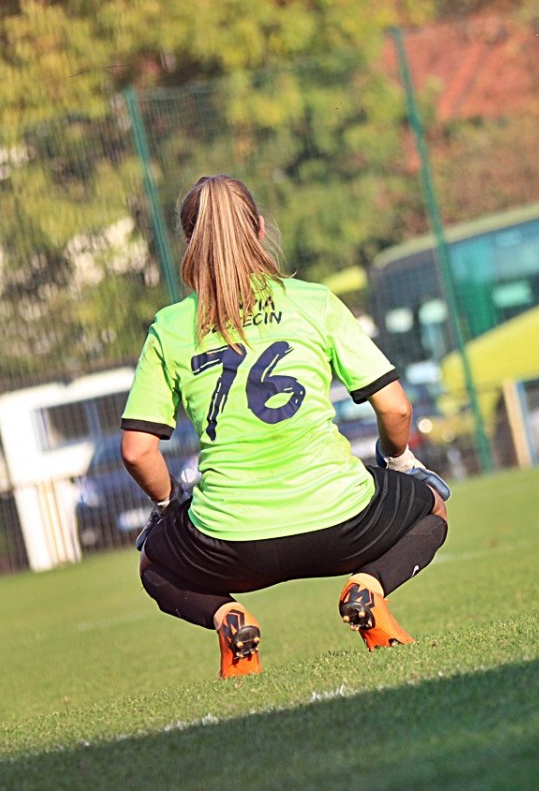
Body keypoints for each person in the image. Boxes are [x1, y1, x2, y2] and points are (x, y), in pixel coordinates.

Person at [120, 174, 450, 679]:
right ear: (259, 228)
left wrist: (168, 507)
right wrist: (399, 461)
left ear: (189, 241)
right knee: (434, 507)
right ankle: (369, 588)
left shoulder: (170, 328)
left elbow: (137, 452)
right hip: (343, 522)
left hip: (230, 543)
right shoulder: (314, 302)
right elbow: (396, 408)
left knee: (153, 565)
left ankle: (227, 618)